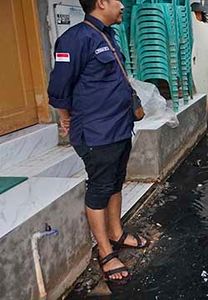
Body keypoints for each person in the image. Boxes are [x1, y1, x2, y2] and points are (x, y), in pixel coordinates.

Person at [48, 0, 148, 284]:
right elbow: (59, 87)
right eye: (117, 0)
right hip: (96, 133)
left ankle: (116, 233)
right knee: (100, 188)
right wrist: (65, 118)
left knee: (116, 181)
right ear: (101, 2)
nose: (123, 6)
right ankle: (105, 251)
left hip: (119, 127)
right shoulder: (74, 39)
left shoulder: (108, 34)